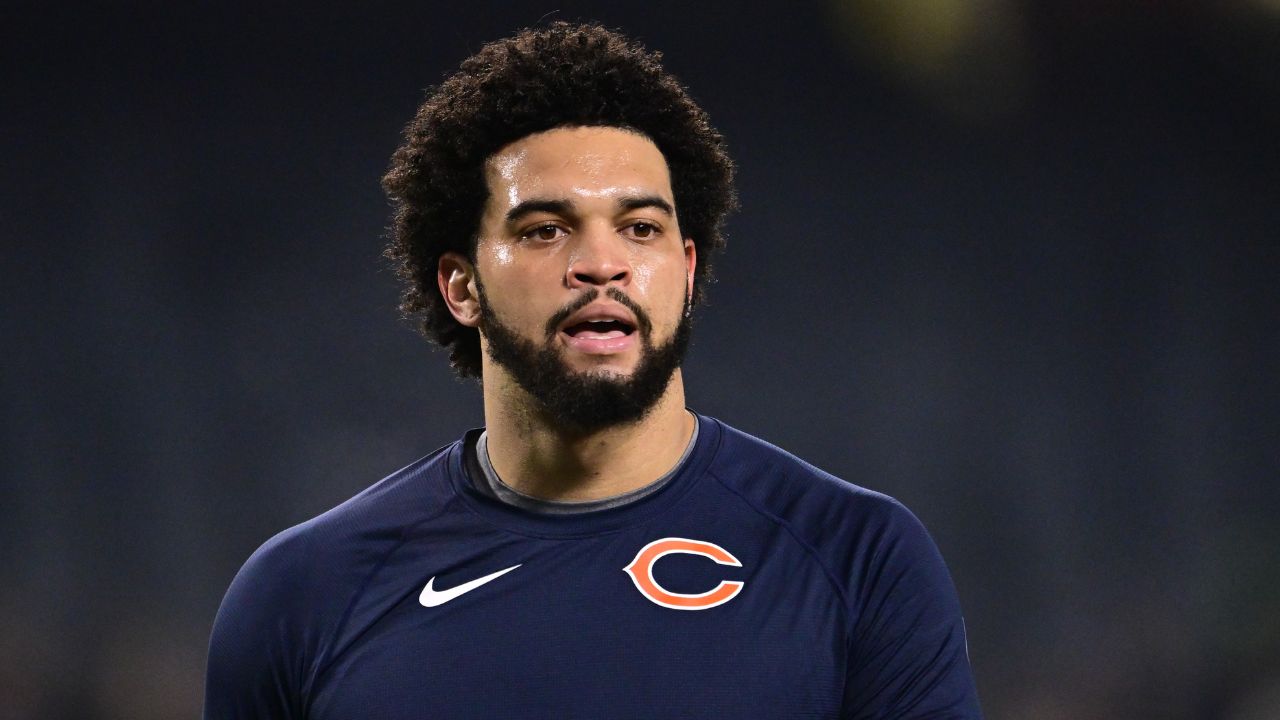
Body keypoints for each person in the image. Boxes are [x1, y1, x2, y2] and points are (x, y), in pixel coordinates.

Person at [204, 22, 983, 719]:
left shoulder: (856, 558)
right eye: (545, 230)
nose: (601, 263)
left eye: (639, 228)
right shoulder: (301, 596)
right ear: (461, 285)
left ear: (685, 269)